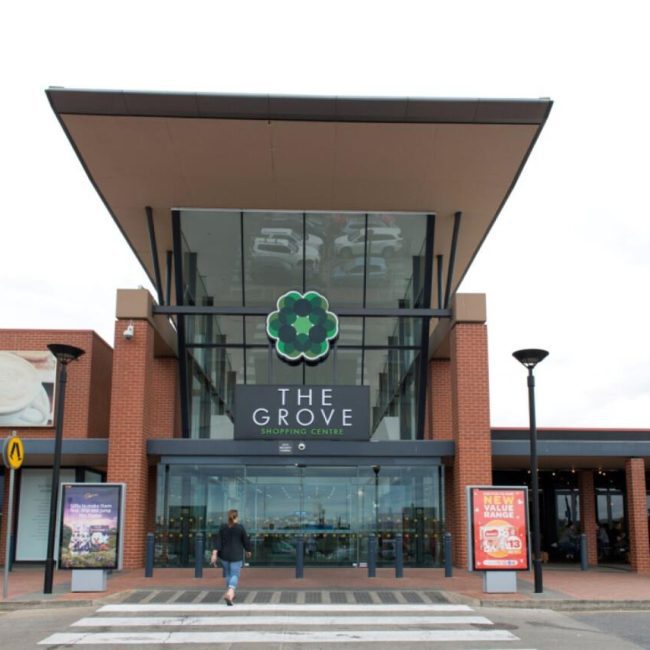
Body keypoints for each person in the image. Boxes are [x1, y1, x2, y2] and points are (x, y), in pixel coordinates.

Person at [210, 509, 252, 606]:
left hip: (224, 555)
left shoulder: (223, 527)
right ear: (237, 517)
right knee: (235, 575)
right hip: (236, 555)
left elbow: (218, 541)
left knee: (228, 574)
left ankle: (231, 593)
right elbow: (245, 540)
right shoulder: (240, 528)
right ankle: (230, 592)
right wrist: (248, 550)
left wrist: (214, 553)